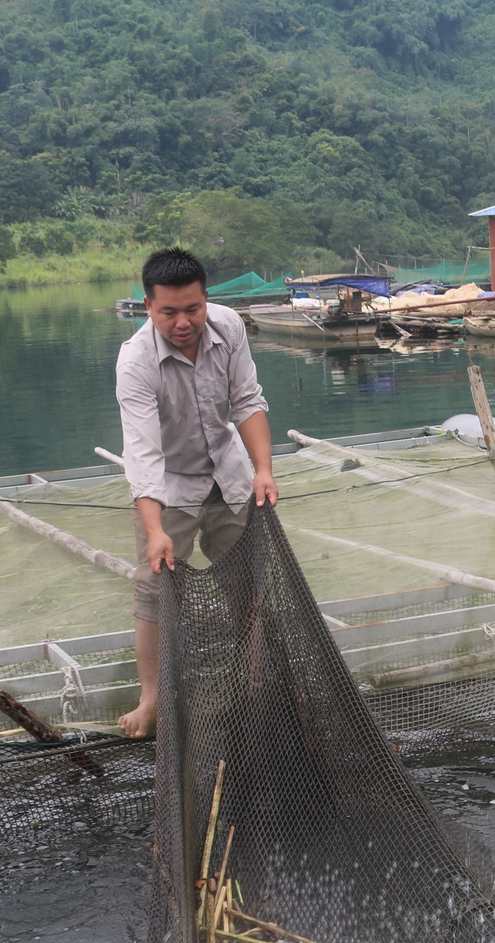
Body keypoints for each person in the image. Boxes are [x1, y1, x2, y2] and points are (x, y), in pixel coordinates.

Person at [115, 247, 278, 738]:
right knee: (154, 591)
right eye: (169, 312)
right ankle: (152, 700)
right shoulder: (135, 361)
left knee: (246, 582)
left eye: (193, 309)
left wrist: (263, 469)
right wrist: (154, 529)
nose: (183, 322)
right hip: (167, 486)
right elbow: (142, 455)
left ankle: (258, 684)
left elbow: (247, 400)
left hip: (227, 473)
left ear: (207, 299)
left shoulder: (229, 327)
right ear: (148, 307)